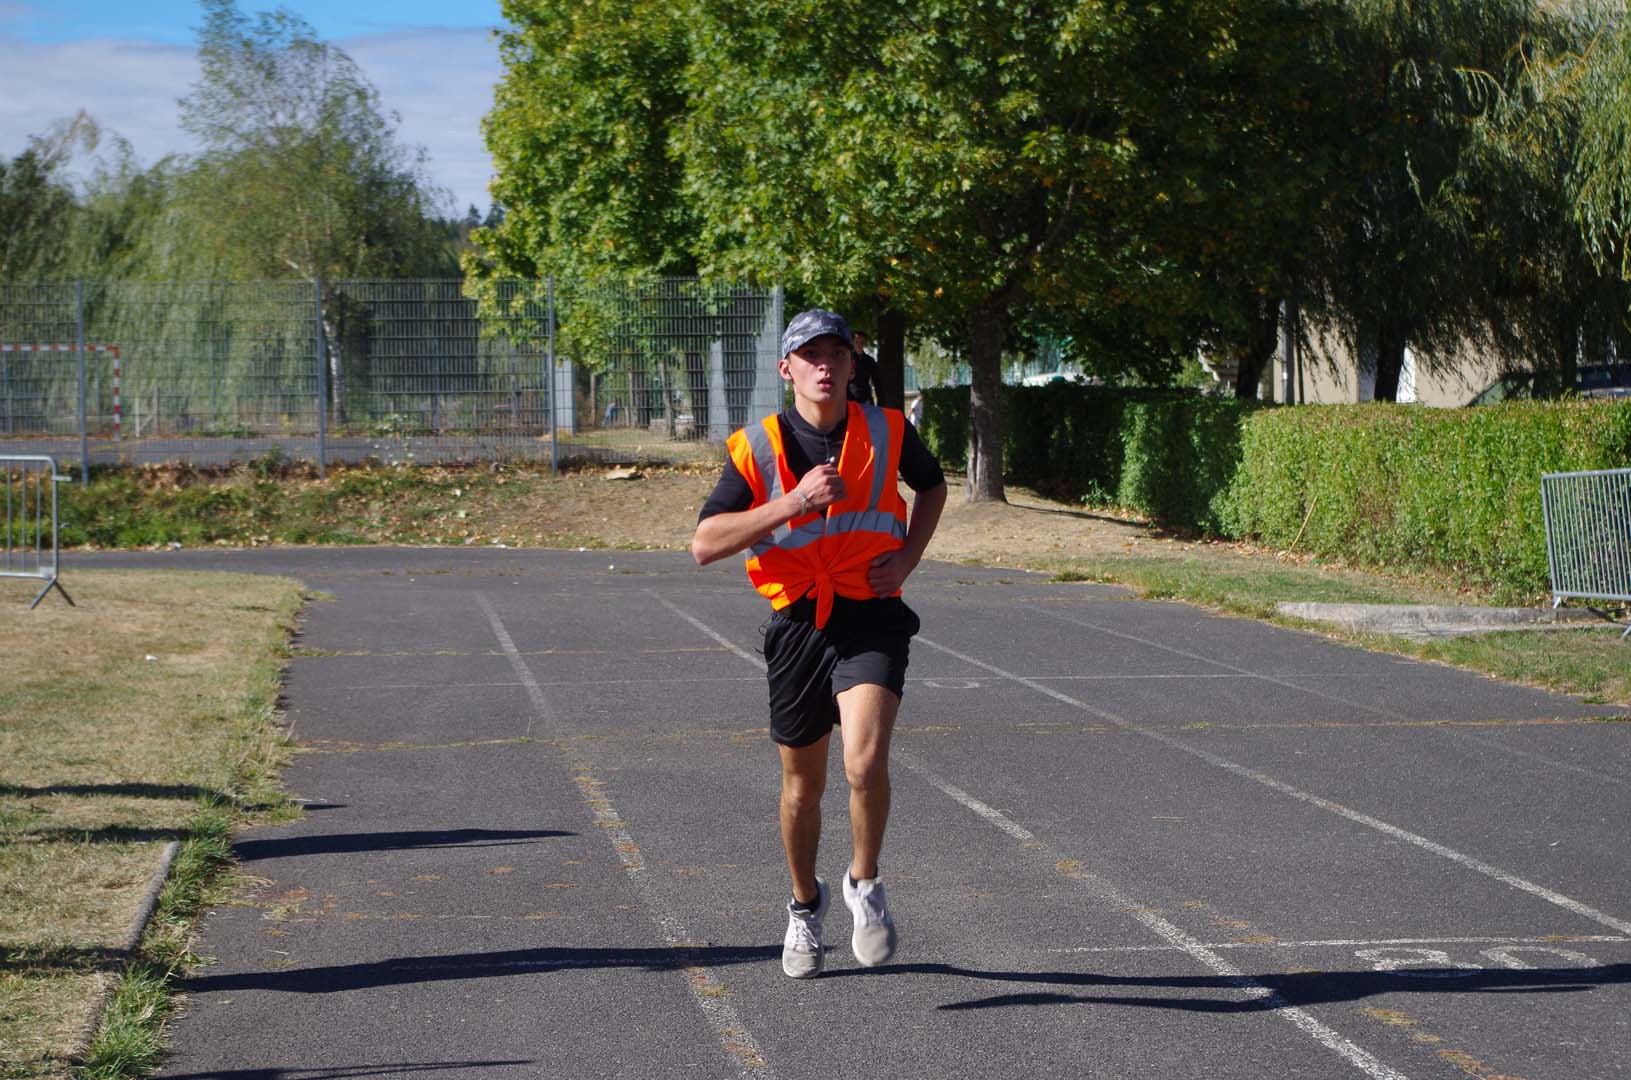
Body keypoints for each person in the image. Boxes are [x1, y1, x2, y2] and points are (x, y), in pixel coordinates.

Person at [691, 308, 947, 979]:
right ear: (787, 369)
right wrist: (792, 503)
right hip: (799, 628)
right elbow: (703, 545)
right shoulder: (758, 446)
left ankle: (864, 883)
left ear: (852, 364)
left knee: (863, 763)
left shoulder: (887, 429)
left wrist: (910, 557)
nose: (825, 366)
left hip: (871, 617)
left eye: (837, 353)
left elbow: (932, 485)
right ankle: (805, 906)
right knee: (801, 789)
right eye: (810, 355)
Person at [848, 330, 880, 405]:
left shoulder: (869, 361)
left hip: (866, 398)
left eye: (862, 342)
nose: (859, 344)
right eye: (857, 342)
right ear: (852, 343)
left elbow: (877, 381)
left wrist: (881, 401)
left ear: (864, 343)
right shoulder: (847, 359)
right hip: (850, 398)